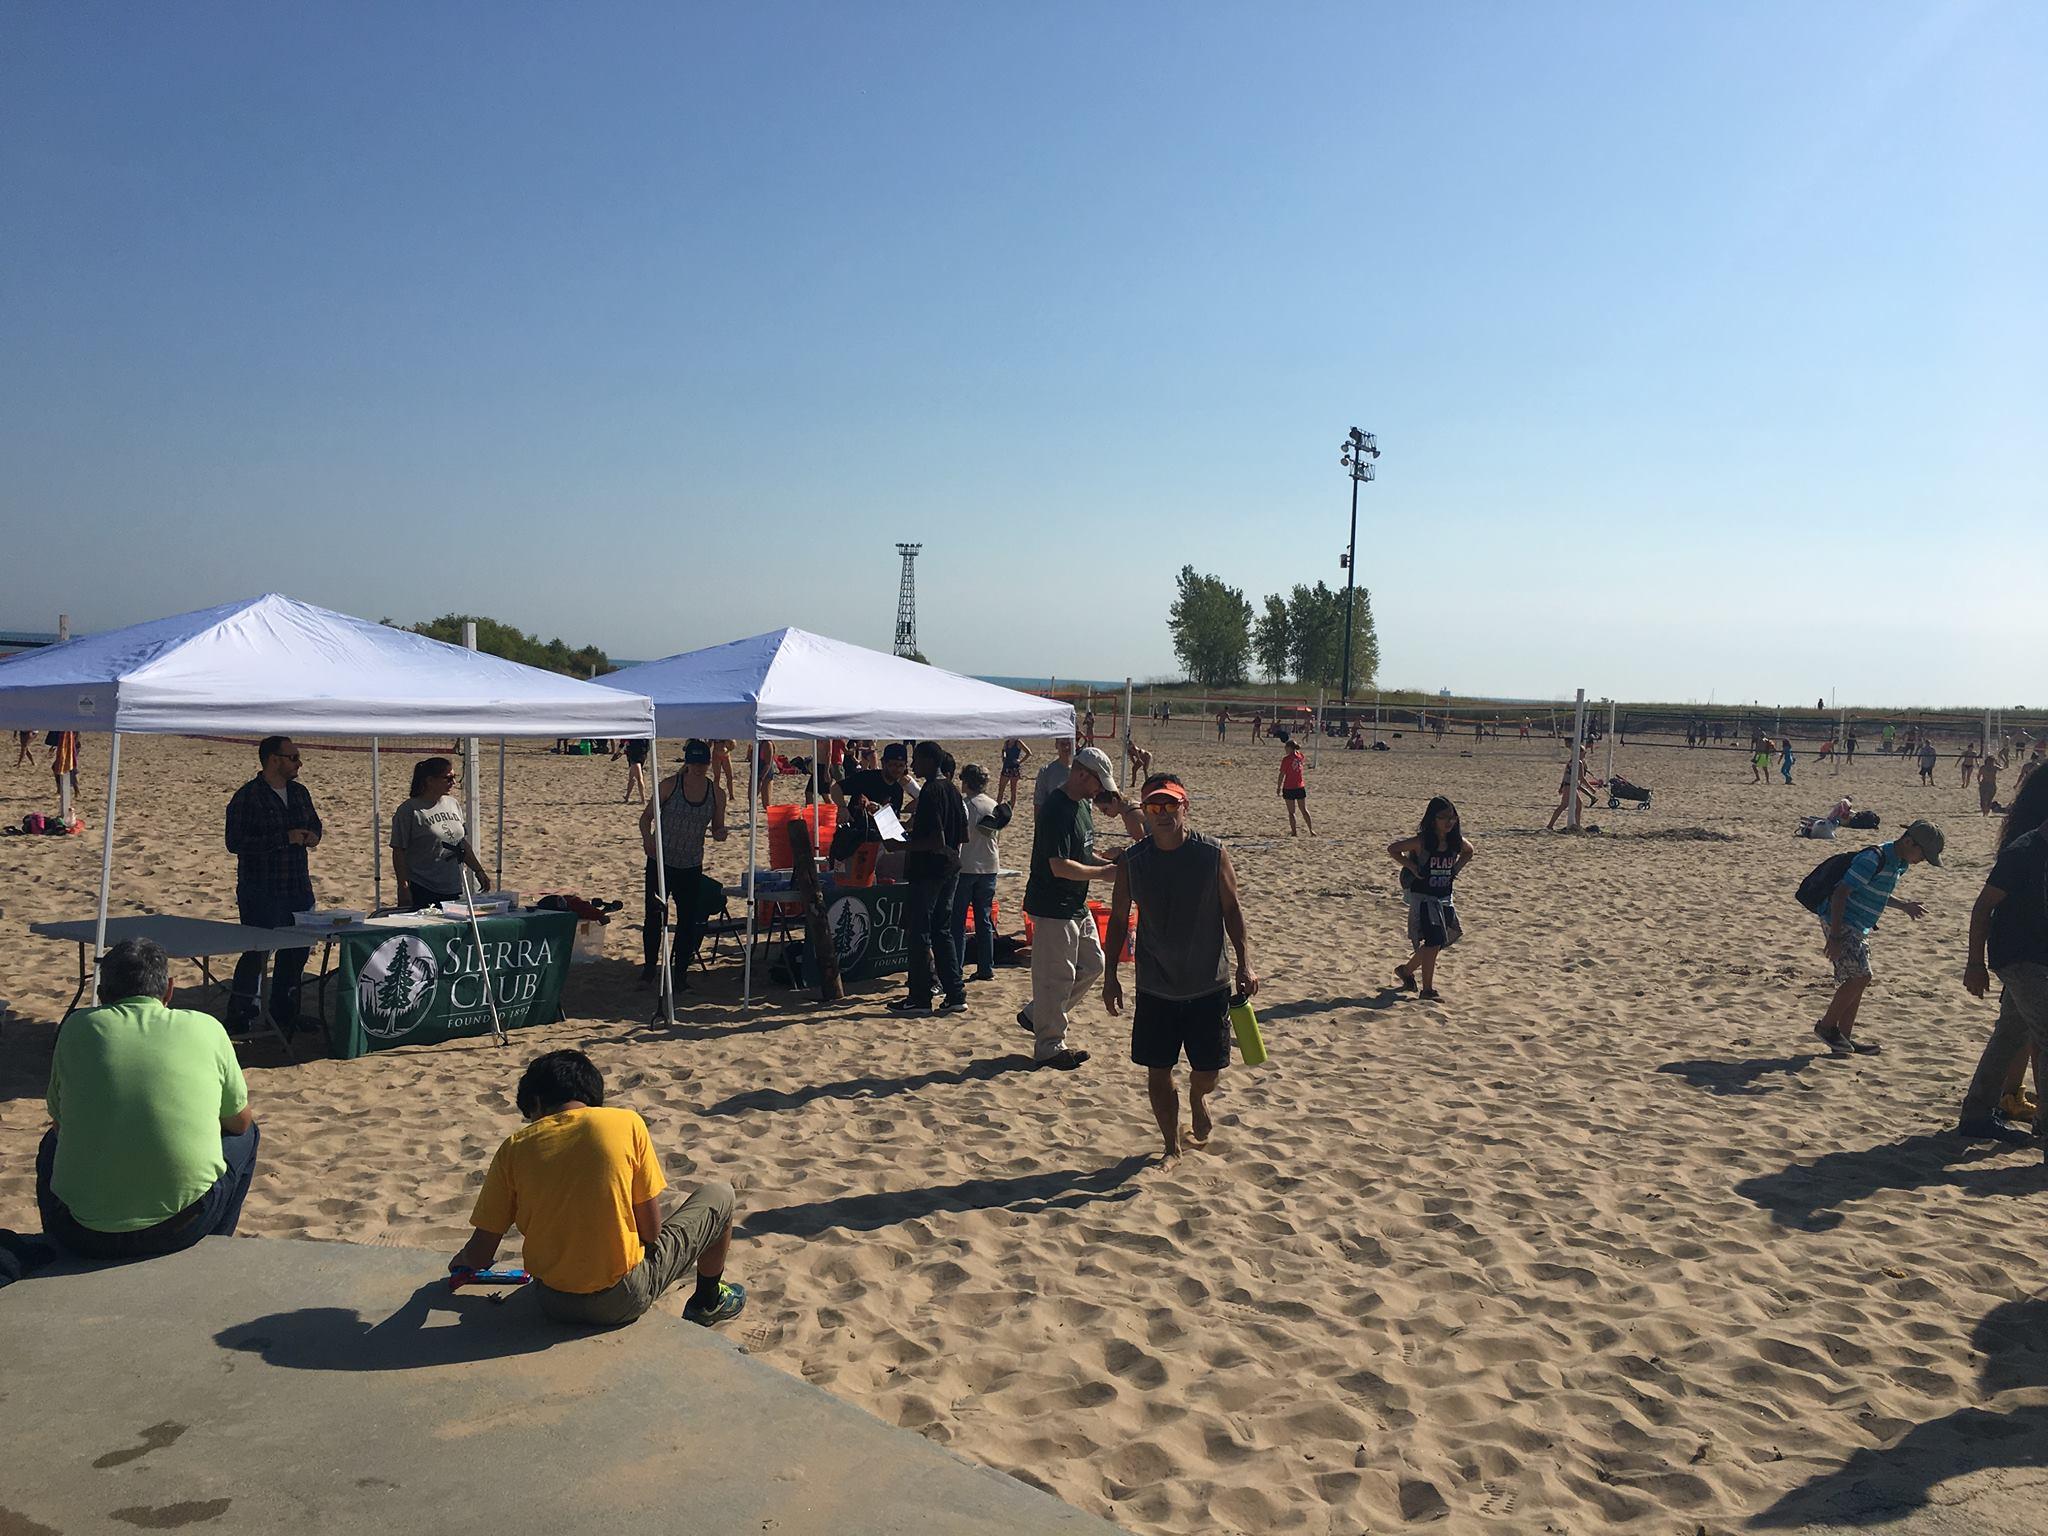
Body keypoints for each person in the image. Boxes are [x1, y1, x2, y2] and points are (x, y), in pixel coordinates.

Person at [449, 1049, 744, 1328]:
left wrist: (462, 1261)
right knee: (721, 1194)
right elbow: (651, 1232)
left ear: (537, 1103)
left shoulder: (513, 1148)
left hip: (551, 1301)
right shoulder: (626, 1122)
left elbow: (480, 1255)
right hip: (622, 1299)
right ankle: (708, 1301)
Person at [35, 938, 259, 1260]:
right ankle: (212, 1249)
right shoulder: (205, 1027)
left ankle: (54, 1250)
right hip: (181, 1226)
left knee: (50, 1145)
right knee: (248, 1136)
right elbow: (240, 1122)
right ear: (169, 990)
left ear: (101, 994)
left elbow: (60, 1125)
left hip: (82, 1231)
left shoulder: (76, 1028)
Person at [1101, 775, 1256, 1163]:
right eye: (1155, 807)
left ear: (1185, 808)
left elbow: (1232, 910)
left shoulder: (1212, 854)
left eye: (1171, 805)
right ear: (1145, 813)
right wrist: (1109, 976)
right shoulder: (1134, 863)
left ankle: (1197, 1096)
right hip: (1156, 986)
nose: (1163, 813)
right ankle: (1171, 1147)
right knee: (1157, 1071)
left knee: (1208, 1072)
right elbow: (1119, 920)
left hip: (1209, 983)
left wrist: (1245, 963)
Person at [1957, 771, 2048, 1144]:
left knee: (2011, 1033)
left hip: (2038, 958)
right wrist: (1975, 964)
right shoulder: (2023, 853)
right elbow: (1982, 909)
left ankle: (1977, 1114)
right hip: (2020, 959)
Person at [1019, 746, 1123, 1070]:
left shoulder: (1082, 807)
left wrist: (1107, 863)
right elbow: (1059, 865)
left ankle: (1037, 1015)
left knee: (1093, 964)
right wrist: (1105, 873)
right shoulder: (1056, 808)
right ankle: (1050, 1046)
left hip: (1075, 902)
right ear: (1080, 774)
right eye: (1097, 782)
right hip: (1053, 904)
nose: (1099, 790)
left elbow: (1081, 855)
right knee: (1057, 976)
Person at [1809, 819, 1943, 1056]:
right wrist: (1836, 936)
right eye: (1923, 854)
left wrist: (1904, 906)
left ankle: (1843, 1038)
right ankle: (1827, 1026)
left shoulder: (1900, 864)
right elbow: (1841, 893)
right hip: (1841, 920)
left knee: (1859, 978)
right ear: (1909, 841)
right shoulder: (1873, 859)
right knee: (1860, 976)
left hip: (1860, 925)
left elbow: (1877, 893)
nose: (1922, 861)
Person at [224, 735, 321, 1035]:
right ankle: (242, 1015)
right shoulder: (248, 796)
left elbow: (316, 825)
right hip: (262, 889)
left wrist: (312, 836)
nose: (299, 763)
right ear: (274, 759)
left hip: (298, 886)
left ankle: (285, 1013)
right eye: (293, 757)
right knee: (256, 953)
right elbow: (235, 842)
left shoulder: (300, 792)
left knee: (296, 952)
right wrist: (284, 838)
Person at [639, 740, 728, 987]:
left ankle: (680, 973)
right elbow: (646, 818)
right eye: (694, 763)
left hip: (690, 864)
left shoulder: (716, 794)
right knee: (654, 915)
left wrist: (720, 833)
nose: (698, 768)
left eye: (703, 763)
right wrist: (648, 840)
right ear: (687, 763)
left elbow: (718, 827)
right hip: (661, 861)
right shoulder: (669, 785)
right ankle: (648, 969)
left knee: (687, 920)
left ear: (709, 764)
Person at [890, 741, 968, 1016]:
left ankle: (920, 996)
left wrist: (901, 845)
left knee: (919, 932)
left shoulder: (933, 792)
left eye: (918, 760)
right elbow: (960, 835)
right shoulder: (952, 790)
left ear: (930, 761)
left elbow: (935, 839)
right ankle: (955, 993)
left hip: (930, 871)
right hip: (950, 868)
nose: (913, 765)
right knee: (942, 930)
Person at [1389, 797, 1476, 1001]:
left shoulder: (1455, 841)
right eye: (1443, 817)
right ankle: (1427, 990)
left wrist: (1455, 869)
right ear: (1432, 819)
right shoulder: (1423, 841)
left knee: (1435, 943)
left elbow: (1469, 851)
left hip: (1445, 897)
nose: (1449, 822)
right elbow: (1393, 849)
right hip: (1424, 898)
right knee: (1433, 941)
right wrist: (1411, 866)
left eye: (1452, 817)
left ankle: (1406, 971)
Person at [390, 756, 493, 911]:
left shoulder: (453, 803)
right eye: (448, 778)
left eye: (454, 777)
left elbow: (461, 842)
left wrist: (478, 870)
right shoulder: (409, 810)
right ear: (430, 780)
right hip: (424, 886)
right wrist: (403, 887)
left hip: (453, 885)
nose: (453, 782)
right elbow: (398, 851)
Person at [953, 764, 1007, 983]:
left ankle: (956, 964)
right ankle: (986, 966)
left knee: (957, 920)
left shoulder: (965, 805)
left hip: (967, 866)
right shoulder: (993, 805)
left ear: (966, 782)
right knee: (983, 919)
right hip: (989, 866)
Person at [1032, 736, 1076, 812]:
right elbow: (1038, 803)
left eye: (1069, 743)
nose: (1066, 747)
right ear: (1056, 745)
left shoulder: (1081, 771)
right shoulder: (1046, 772)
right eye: (1062, 744)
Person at [1277, 739, 1312, 835]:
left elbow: (1281, 774)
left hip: (1289, 787)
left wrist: (1278, 787)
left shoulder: (1286, 759)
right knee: (1304, 809)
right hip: (1300, 786)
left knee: (1292, 812)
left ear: (1290, 748)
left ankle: (1294, 832)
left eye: (1286, 748)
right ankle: (1310, 830)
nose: (1285, 749)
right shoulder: (1300, 756)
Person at [997, 737, 1031, 808]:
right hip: (1006, 768)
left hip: (1014, 769)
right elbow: (1003, 750)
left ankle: (1011, 809)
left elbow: (1028, 753)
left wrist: (1020, 761)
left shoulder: (1018, 742)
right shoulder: (1006, 742)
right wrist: (1003, 756)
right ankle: (997, 808)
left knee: (1013, 790)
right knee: (1001, 789)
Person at [622, 736, 650, 803]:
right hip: (640, 755)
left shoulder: (634, 736)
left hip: (635, 756)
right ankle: (627, 797)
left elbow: (624, 743)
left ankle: (643, 799)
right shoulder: (644, 736)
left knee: (639, 778)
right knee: (632, 777)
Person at [1980, 751, 2001, 817]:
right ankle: (1984, 812)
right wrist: (1979, 782)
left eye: (1992, 761)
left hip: (1992, 785)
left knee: (1989, 799)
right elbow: (1979, 775)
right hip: (1984, 784)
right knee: (1983, 799)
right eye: (1990, 761)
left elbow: (2002, 768)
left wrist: (1997, 763)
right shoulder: (1983, 767)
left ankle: (1987, 812)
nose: (1991, 763)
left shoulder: (1995, 767)